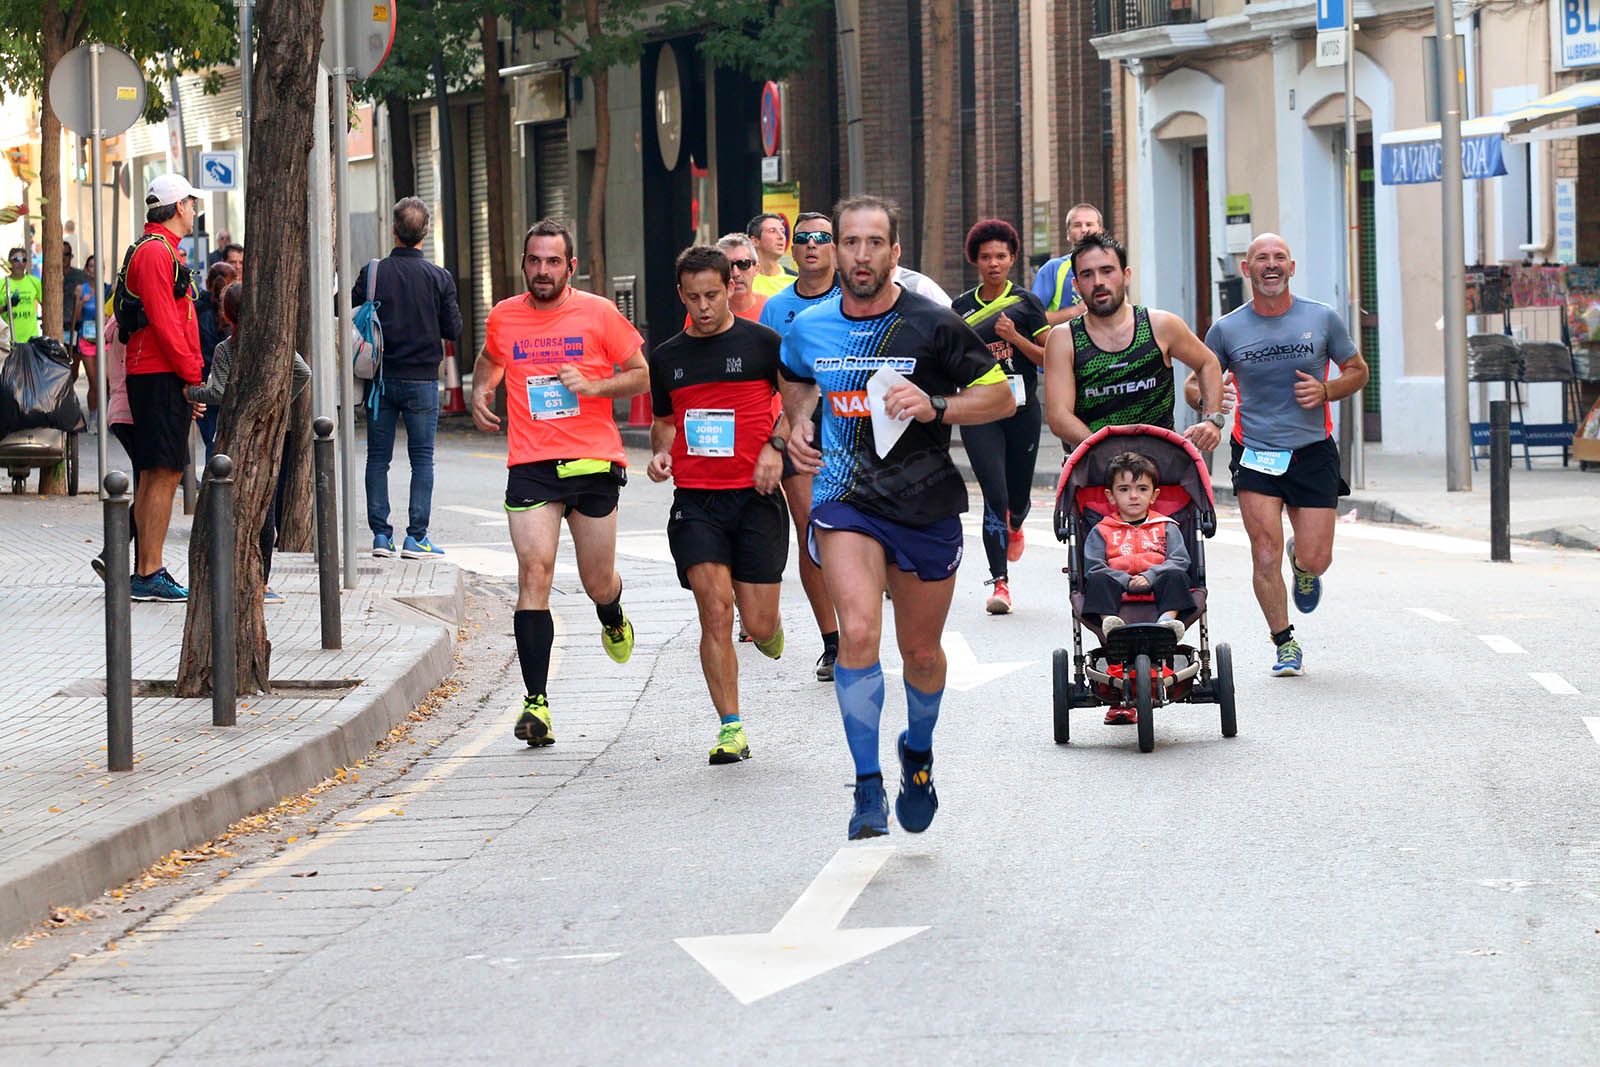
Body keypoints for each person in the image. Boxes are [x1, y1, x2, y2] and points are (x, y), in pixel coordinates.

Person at [780, 195, 1015, 840]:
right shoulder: (811, 326)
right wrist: (797, 425)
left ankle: (917, 752)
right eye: (848, 242)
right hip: (843, 497)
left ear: (894, 252)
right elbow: (794, 377)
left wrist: (936, 404)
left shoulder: (934, 325)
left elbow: (1000, 396)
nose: (859, 255)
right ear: (834, 250)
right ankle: (865, 785)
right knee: (857, 632)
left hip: (925, 503)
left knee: (919, 651)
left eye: (872, 243)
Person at [471, 218, 649, 748]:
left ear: (570, 267)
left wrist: (594, 384)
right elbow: (490, 360)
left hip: (593, 461)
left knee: (598, 581)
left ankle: (611, 611)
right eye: (534, 260)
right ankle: (536, 704)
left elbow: (641, 372)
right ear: (523, 263)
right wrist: (483, 391)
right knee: (534, 573)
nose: (542, 270)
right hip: (531, 463)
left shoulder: (598, 313)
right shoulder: (505, 316)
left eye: (553, 261)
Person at [1186, 233, 1368, 678]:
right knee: (1263, 553)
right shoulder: (1227, 328)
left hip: (1311, 452)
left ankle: (1303, 565)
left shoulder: (1322, 318)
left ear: (1292, 267)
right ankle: (1284, 642)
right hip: (1255, 453)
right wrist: (1212, 401)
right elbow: (1195, 383)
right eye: (1261, 259)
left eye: (1279, 258)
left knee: (1316, 556)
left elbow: (1357, 371)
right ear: (1246, 269)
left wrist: (1326, 389)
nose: (1271, 266)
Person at [649, 245, 789, 764]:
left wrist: (776, 448)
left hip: (756, 497)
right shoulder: (665, 356)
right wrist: (661, 453)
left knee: (759, 622)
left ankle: (768, 631)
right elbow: (664, 422)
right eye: (693, 297)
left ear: (731, 285)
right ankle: (731, 727)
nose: (704, 306)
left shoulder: (763, 344)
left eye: (712, 294)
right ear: (680, 294)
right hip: (697, 500)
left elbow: (800, 404)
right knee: (715, 610)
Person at [1043, 231, 1225, 455]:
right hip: (1095, 463)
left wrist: (1212, 420)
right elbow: (1059, 416)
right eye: (1087, 275)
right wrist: (1107, 449)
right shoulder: (1064, 339)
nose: (1098, 282)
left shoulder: (1161, 325)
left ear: (1126, 275)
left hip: (1159, 462)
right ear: (1077, 285)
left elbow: (1208, 362)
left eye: (1107, 271)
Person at [186, 282, 312, 603]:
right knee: (265, 508)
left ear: (227, 314)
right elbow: (303, 372)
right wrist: (278, 401)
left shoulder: (227, 349)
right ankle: (263, 583)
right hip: (268, 434)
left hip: (233, 435)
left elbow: (217, 392)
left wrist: (190, 393)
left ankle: (231, 574)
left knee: (227, 502)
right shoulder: (274, 343)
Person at [352, 197, 461, 560]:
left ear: (394, 230)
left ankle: (381, 537)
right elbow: (453, 328)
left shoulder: (373, 273)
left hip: (379, 379)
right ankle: (417, 537)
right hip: (422, 383)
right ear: (425, 233)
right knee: (422, 459)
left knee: (377, 458)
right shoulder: (438, 277)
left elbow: (353, 314)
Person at [952, 219, 1051, 615]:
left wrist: (1014, 339)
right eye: (986, 257)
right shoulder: (960, 309)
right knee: (994, 494)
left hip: (1021, 408)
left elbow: (1048, 358)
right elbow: (948, 362)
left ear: (1012, 259)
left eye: (1001, 256)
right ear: (975, 260)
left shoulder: (1026, 304)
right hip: (979, 410)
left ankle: (1017, 521)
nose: (993, 263)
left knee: (1018, 498)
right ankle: (1000, 583)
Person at [759, 211, 842, 680]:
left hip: (854, 435)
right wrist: (778, 437)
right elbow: (774, 384)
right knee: (813, 534)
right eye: (803, 238)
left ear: (834, 248)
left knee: (856, 537)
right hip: (800, 436)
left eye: (822, 239)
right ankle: (832, 642)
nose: (812, 245)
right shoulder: (776, 309)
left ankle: (858, 630)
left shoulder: (853, 295)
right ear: (792, 249)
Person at [124, 174, 207, 603]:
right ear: (178, 207)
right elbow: (165, 322)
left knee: (157, 471)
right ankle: (148, 570)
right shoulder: (157, 253)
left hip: (158, 372)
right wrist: (193, 376)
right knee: (164, 471)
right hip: (159, 374)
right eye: (192, 203)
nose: (195, 211)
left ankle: (146, 568)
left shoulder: (160, 249)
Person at [1082, 451, 1194, 723]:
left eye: (1142, 489)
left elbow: (1180, 560)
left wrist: (1153, 575)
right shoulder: (1103, 530)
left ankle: (1169, 622)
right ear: (1111, 496)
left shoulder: (1166, 527)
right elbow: (1093, 565)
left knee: (1178, 575)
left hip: (1158, 584)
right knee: (1096, 578)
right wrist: (1125, 580)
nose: (1134, 496)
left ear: (1154, 495)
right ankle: (1109, 622)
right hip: (1116, 586)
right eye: (1124, 489)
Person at [1030, 203, 1104, 327]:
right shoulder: (1052, 269)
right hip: (1064, 343)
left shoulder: (1111, 267)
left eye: (1089, 224)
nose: (1084, 230)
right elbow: (1033, 318)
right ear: (1068, 234)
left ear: (1101, 231)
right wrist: (1076, 312)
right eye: (1077, 225)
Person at [194, 261, 237, 455]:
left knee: (212, 438)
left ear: (207, 282)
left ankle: (212, 480)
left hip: (204, 383)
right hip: (229, 386)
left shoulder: (196, 311)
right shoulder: (236, 313)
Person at [70, 254, 102, 424]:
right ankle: (93, 418)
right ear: (86, 269)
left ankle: (106, 415)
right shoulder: (81, 289)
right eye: (91, 266)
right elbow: (75, 318)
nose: (94, 269)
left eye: (98, 266)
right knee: (93, 381)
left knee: (106, 381)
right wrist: (81, 303)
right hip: (86, 338)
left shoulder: (107, 288)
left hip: (104, 340)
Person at [746, 212, 797, 298]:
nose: (781, 236)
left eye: (782, 231)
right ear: (755, 241)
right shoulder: (743, 279)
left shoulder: (795, 281)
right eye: (772, 231)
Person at [3, 246, 43, 346]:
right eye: (16, 260)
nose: (20, 263)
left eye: (24, 260)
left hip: (30, 342)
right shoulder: (2, 284)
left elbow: (48, 307)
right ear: (9, 262)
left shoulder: (34, 282)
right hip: (7, 343)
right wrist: (7, 307)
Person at [61, 242, 87, 346]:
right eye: (60, 254)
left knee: (74, 361)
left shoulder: (81, 276)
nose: (63, 257)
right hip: (57, 326)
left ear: (71, 256)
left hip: (76, 326)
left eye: (66, 254)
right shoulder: (49, 276)